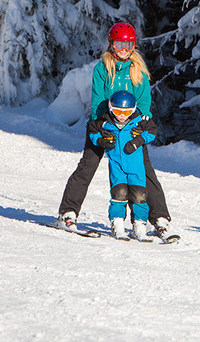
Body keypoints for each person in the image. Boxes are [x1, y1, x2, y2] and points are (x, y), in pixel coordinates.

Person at [57, 22, 174, 239]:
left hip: (130, 128)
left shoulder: (138, 69)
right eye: (119, 44)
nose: (124, 49)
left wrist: (139, 127)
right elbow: (99, 101)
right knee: (87, 166)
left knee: (144, 171)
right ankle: (67, 213)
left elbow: (144, 102)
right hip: (104, 125)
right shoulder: (103, 68)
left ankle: (159, 218)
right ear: (111, 44)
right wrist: (101, 127)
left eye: (128, 44)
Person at [88, 91, 157, 239]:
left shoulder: (138, 121)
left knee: (140, 195)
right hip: (117, 166)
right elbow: (92, 130)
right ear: (111, 109)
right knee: (119, 193)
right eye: (118, 111)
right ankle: (117, 225)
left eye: (126, 112)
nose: (122, 116)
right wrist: (102, 141)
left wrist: (138, 141)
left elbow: (152, 130)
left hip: (136, 167)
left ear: (133, 110)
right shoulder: (105, 122)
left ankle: (139, 226)